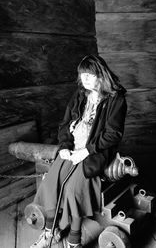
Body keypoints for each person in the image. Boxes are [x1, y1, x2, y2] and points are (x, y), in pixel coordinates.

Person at [30, 54, 127, 248]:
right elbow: (65, 124)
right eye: (82, 75)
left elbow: (113, 134)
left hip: (95, 152)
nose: (85, 79)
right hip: (72, 148)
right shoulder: (80, 95)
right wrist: (65, 146)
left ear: (101, 74)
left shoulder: (116, 99)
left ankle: (74, 240)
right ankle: (51, 232)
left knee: (73, 190)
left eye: (89, 75)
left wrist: (86, 152)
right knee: (50, 182)